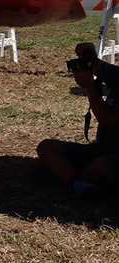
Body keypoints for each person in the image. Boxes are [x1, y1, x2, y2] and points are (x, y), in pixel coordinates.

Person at [37, 42, 119, 200]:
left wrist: (89, 86)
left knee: (105, 166)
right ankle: (78, 183)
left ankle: (67, 177)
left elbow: (107, 119)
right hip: (100, 149)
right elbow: (91, 57)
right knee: (47, 147)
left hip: (113, 158)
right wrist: (88, 56)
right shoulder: (117, 75)